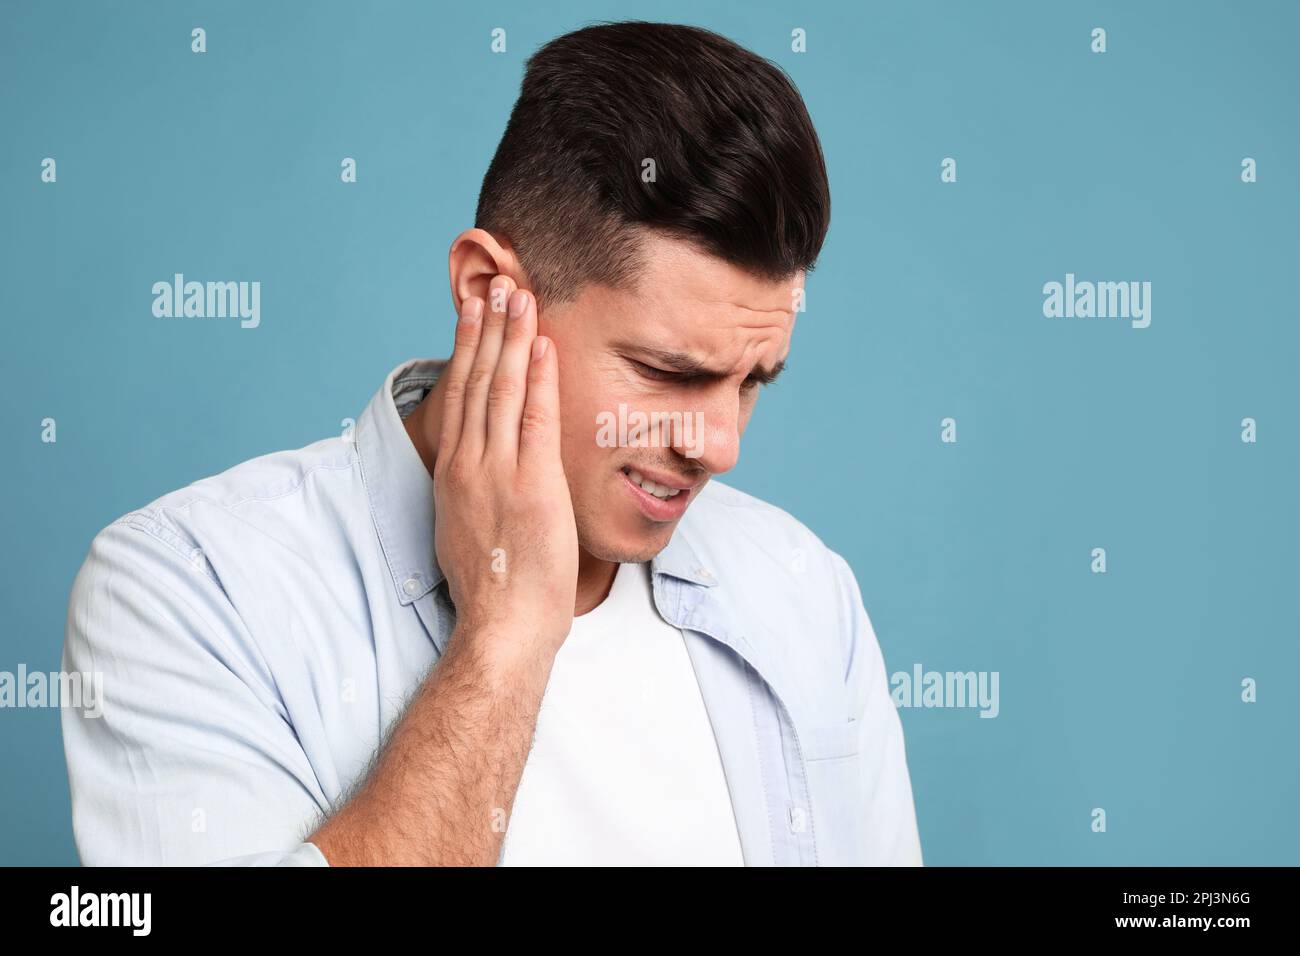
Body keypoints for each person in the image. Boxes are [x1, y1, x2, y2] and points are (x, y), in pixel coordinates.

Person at [61, 20, 922, 866]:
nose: (720, 446)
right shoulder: (189, 592)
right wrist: (504, 638)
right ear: (487, 293)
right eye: (668, 371)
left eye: (752, 382)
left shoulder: (806, 595)